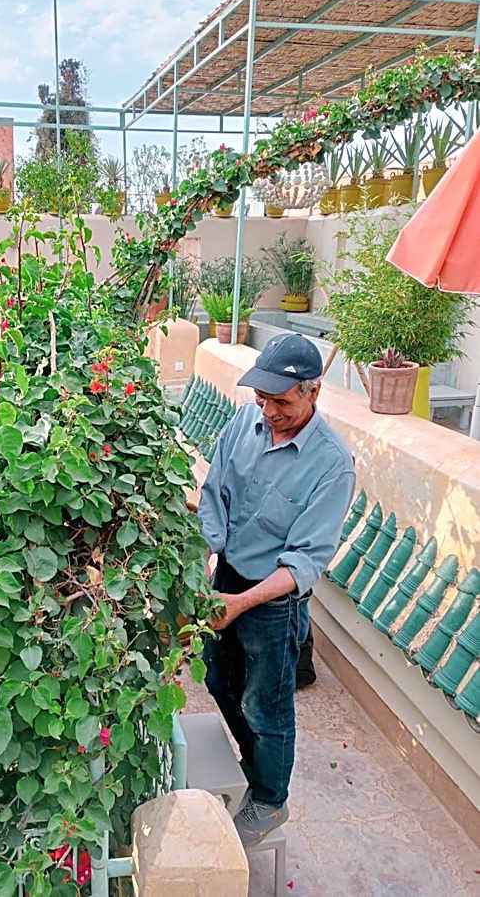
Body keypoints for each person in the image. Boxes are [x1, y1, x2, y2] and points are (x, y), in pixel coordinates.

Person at [198, 333, 355, 846]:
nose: (268, 411)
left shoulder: (332, 465)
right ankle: (253, 762)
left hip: (275, 600)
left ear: (313, 394)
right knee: (220, 680)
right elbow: (215, 491)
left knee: (267, 704)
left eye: (281, 401)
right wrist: (207, 561)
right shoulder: (246, 421)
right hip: (228, 577)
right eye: (262, 398)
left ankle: (270, 800)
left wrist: (242, 602)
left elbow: (307, 560)